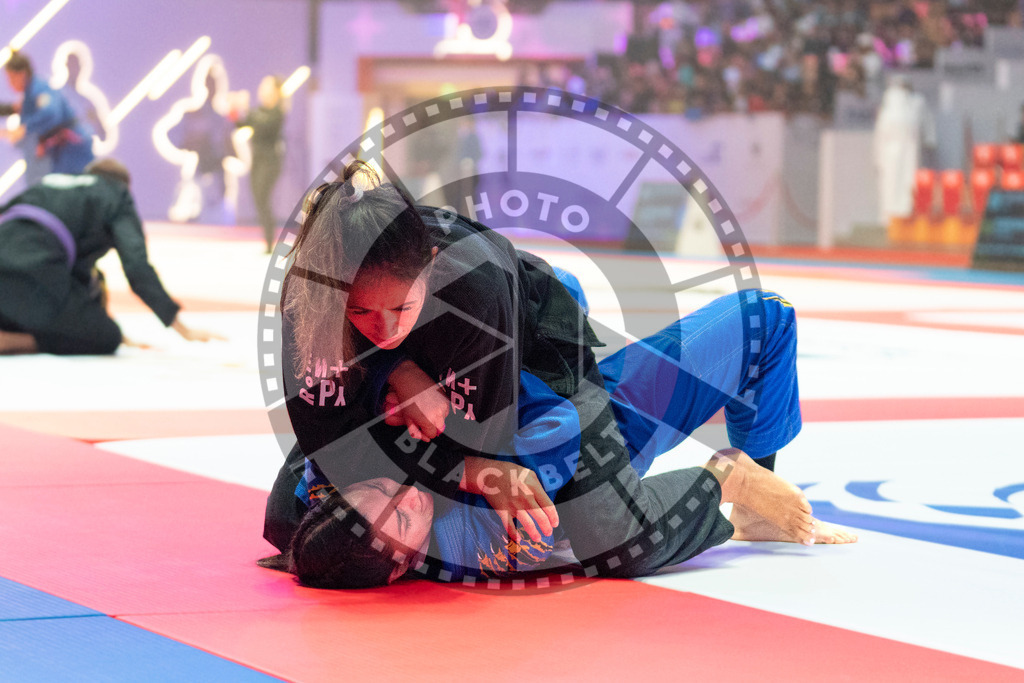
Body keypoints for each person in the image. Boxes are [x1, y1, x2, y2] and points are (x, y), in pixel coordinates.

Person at [261, 162, 853, 587]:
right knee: (616, 534)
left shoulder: (303, 513)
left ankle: (749, 480)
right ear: (401, 563)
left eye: (375, 490)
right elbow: (551, 434)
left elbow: (326, 443)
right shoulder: (472, 544)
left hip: (535, 349)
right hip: (560, 423)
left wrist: (398, 368)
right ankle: (734, 481)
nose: (398, 494)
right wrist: (477, 468)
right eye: (404, 517)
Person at [0, 158, 219, 355]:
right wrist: (181, 327)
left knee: (26, 307)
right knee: (106, 337)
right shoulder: (117, 195)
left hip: (20, 263)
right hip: (34, 265)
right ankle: (13, 342)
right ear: (124, 185)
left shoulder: (50, 183)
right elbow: (136, 265)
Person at [0, 51, 95, 186]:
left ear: (21, 74)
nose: (9, 83)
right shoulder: (29, 95)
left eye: (10, 78)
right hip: (58, 157)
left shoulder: (39, 88)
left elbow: (51, 114)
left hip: (72, 151)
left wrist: (25, 129)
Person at [231, 75, 287, 253]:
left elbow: (262, 125)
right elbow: (241, 122)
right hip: (257, 161)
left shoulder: (277, 113)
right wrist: (236, 108)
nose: (262, 90)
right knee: (258, 199)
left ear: (276, 92)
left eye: (266, 87)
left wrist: (245, 109)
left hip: (270, 162)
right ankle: (268, 240)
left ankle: (270, 242)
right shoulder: (259, 111)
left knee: (263, 198)